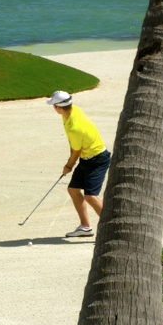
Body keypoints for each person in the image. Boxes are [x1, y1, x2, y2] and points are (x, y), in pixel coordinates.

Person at [47, 90, 110, 237]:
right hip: (87, 158)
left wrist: (68, 166)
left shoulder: (75, 126)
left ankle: (113, 228)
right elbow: (73, 145)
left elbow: (76, 151)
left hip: (98, 159)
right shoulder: (71, 112)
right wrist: (71, 161)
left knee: (90, 196)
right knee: (73, 189)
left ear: (58, 107)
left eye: (54, 105)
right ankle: (86, 227)